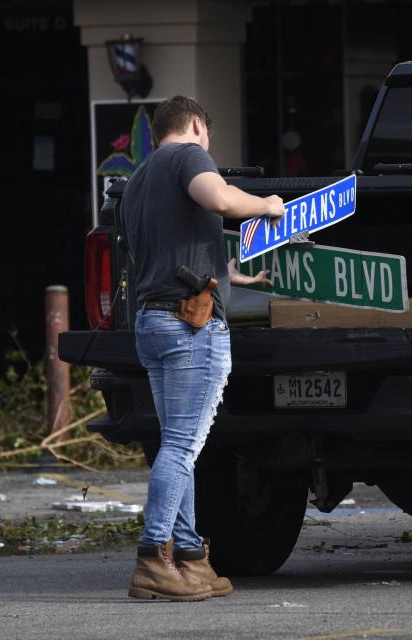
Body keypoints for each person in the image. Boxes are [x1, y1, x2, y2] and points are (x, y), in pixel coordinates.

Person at [120, 96, 285, 601]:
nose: (209, 147)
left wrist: (230, 274)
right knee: (182, 446)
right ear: (194, 124)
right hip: (190, 325)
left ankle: (190, 557)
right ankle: (154, 558)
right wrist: (267, 206)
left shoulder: (137, 181)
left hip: (152, 322)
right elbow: (220, 200)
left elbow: (167, 253)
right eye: (207, 135)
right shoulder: (188, 155)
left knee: (178, 444)